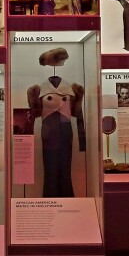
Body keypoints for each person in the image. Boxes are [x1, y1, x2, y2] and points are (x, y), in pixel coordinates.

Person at [27, 48, 86, 198]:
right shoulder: (38, 90)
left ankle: (67, 200)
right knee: (50, 169)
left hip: (66, 133)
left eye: (62, 61)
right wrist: (26, 141)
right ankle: (50, 201)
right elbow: (33, 115)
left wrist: (82, 141)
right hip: (48, 134)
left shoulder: (72, 89)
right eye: (60, 60)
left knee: (65, 168)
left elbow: (78, 115)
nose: (61, 63)